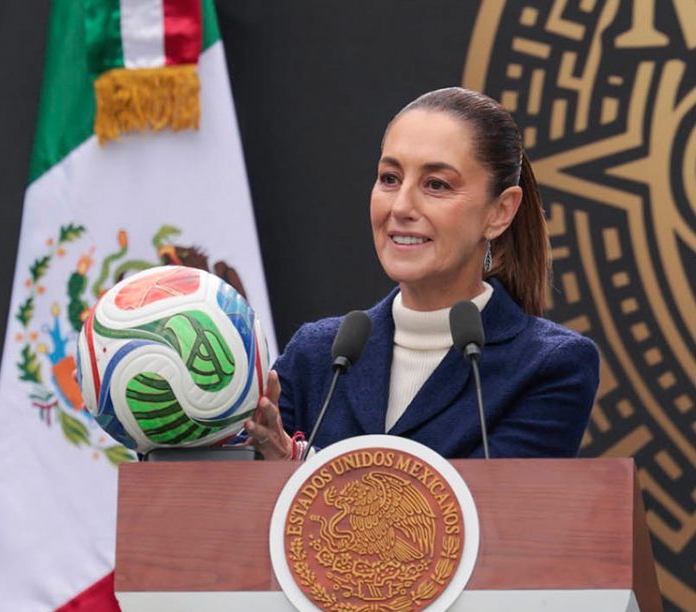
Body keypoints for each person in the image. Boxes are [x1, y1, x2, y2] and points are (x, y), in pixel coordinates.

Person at [245, 87, 599, 460]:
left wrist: (300, 462)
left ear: (500, 212)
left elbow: (471, 511)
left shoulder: (551, 366)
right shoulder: (317, 355)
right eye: (390, 178)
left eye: (436, 185)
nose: (401, 206)